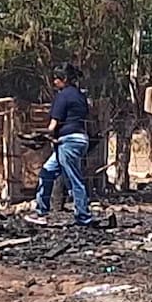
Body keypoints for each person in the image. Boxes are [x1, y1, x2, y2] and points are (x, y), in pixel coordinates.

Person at [30, 63, 93, 226]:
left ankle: (84, 216)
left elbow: (53, 125)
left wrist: (40, 135)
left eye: (56, 79)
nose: (53, 82)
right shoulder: (80, 96)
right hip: (77, 140)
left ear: (64, 79)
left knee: (74, 178)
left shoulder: (63, 96)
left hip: (69, 142)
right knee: (46, 172)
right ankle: (41, 212)